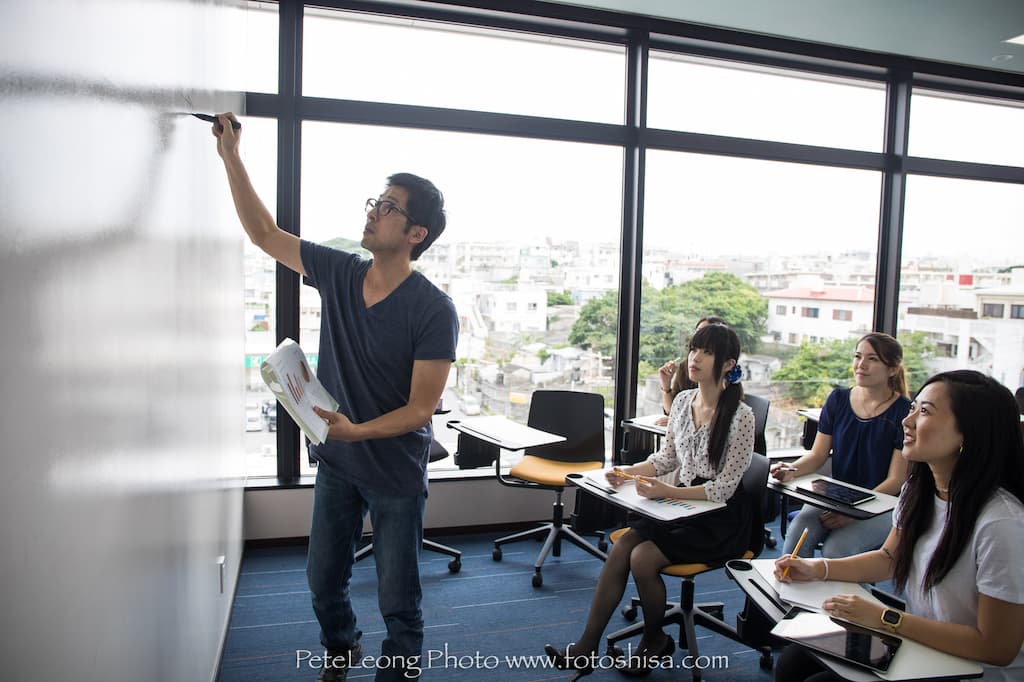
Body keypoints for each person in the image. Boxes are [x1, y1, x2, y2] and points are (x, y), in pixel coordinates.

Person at [210, 114, 458, 681]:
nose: (373, 210)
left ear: (416, 233)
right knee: (323, 581)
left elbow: (421, 410)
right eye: (377, 200)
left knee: (399, 600)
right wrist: (231, 156)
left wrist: (354, 430)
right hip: (338, 463)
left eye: (389, 206)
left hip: (394, 470)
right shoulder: (342, 271)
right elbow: (265, 235)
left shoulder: (433, 309)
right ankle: (341, 647)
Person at [773, 370, 1024, 681]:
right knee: (794, 661)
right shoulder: (919, 490)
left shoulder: (1002, 523)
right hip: (923, 645)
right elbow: (890, 558)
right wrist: (816, 568)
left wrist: (885, 618)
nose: (907, 422)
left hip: (970, 669)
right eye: (912, 408)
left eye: (926, 411)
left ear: (969, 434)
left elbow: (996, 647)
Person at [545, 324, 755, 677]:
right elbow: (666, 460)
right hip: (680, 508)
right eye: (693, 349)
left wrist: (668, 492)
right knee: (623, 546)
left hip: (718, 518)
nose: (695, 357)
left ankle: (654, 639)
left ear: (727, 363)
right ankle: (585, 647)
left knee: (642, 558)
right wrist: (627, 472)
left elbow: (725, 488)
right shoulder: (684, 401)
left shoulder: (741, 416)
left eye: (705, 352)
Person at [771, 332, 911, 559]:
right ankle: (790, 594)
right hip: (838, 496)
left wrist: (853, 512)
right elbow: (817, 456)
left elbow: (895, 481)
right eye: (858, 356)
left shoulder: (904, 412)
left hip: (883, 504)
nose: (861, 365)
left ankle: (854, 597)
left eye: (872, 359)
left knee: (837, 550)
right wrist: (791, 469)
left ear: (893, 369)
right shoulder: (838, 400)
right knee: (797, 534)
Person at [655, 316, 727, 425]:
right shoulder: (687, 367)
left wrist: (678, 422)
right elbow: (672, 411)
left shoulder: (726, 374)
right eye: (694, 349)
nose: (696, 357)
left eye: (707, 351)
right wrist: (666, 385)